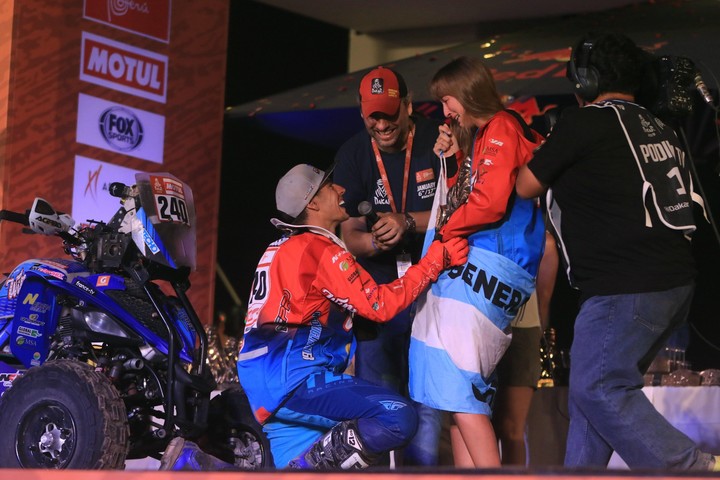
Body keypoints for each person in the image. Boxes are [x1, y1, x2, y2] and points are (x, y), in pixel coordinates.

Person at [160, 163, 469, 470]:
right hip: (294, 377)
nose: (341, 189)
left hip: (268, 379)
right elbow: (380, 306)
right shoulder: (318, 249)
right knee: (398, 416)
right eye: (330, 185)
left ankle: (194, 465)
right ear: (313, 202)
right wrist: (435, 259)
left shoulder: (282, 246)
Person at [516, 31, 718, 471]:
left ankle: (693, 467)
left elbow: (524, 184)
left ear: (584, 81)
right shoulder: (661, 126)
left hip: (622, 287)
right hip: (673, 284)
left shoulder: (584, 122)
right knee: (594, 401)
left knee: (598, 388)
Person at [408, 56, 546, 467]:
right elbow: (471, 196)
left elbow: (486, 206)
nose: (445, 112)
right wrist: (453, 161)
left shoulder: (502, 126)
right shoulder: (484, 133)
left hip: (492, 264)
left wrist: (447, 235)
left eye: (447, 101)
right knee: (457, 398)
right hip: (487, 263)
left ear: (467, 93)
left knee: (461, 393)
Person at [333, 66, 456, 466]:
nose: (382, 123)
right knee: (380, 410)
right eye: (374, 115)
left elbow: (457, 212)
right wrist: (372, 241)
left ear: (407, 106)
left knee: (428, 407)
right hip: (378, 301)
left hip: (435, 295)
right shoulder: (353, 153)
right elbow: (349, 231)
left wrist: (406, 221)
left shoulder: (439, 141)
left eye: (390, 112)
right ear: (361, 112)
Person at [492, 231, 559, 466]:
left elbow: (543, 301)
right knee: (480, 425)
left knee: (512, 429)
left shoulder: (544, 241)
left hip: (523, 331)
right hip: (479, 327)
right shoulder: (478, 225)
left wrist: (540, 338)